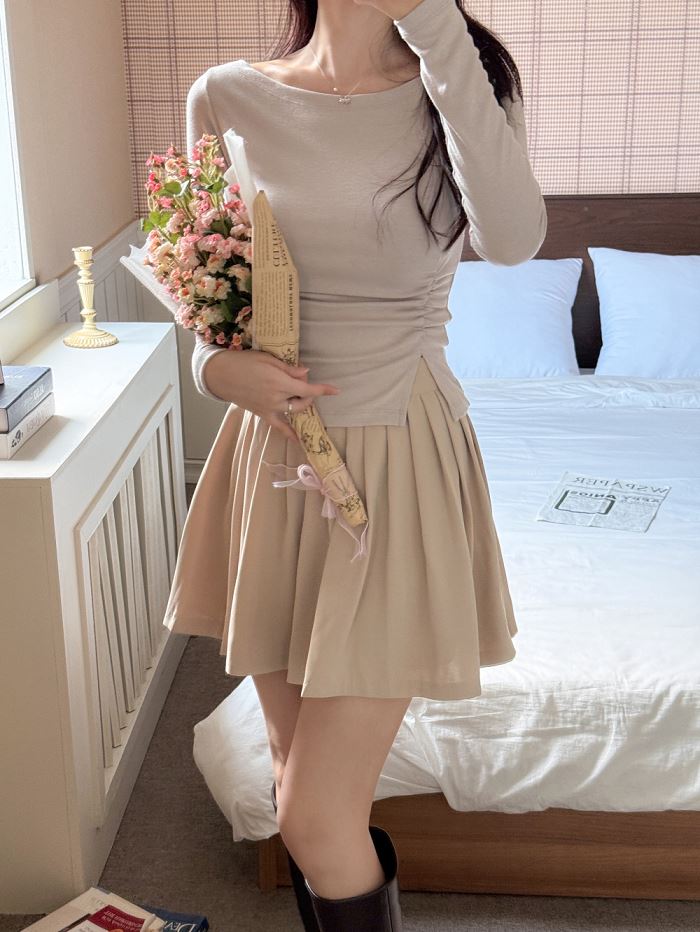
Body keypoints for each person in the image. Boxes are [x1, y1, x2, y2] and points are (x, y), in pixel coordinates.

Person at [163, 0, 547, 928]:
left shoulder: (462, 84)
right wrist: (214, 370)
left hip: (399, 461)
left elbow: (513, 240)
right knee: (294, 783)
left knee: (312, 814)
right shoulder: (224, 96)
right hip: (273, 457)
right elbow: (203, 288)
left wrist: (435, 28)